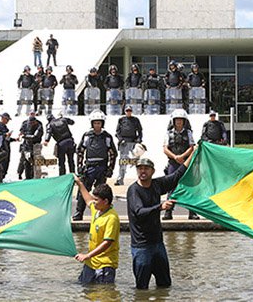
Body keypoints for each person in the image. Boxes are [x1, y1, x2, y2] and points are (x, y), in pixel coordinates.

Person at [126, 157, 188, 290]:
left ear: (152, 171)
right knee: (142, 288)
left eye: (146, 169)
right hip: (141, 246)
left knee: (165, 285)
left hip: (158, 244)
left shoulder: (156, 184)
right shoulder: (133, 190)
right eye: (140, 168)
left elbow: (176, 176)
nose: (143, 171)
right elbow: (139, 212)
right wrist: (160, 207)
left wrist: (194, 155)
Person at [73, 176, 119, 284]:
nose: (93, 202)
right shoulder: (97, 209)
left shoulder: (112, 218)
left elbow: (107, 242)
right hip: (91, 263)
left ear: (105, 201)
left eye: (96, 200)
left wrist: (87, 255)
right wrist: (79, 183)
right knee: (86, 291)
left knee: (104, 294)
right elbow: (87, 199)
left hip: (104, 265)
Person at [74, 110, 117, 221]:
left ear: (102, 123)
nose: (97, 125)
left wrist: (110, 168)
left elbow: (113, 153)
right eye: (95, 123)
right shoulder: (87, 136)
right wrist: (79, 166)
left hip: (102, 167)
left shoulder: (107, 137)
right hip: (89, 167)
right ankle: (79, 213)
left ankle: (101, 214)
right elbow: (80, 151)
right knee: (83, 190)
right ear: (92, 123)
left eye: (99, 123)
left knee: (101, 193)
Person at [162, 109, 196, 220]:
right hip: (173, 163)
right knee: (171, 187)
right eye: (177, 120)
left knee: (189, 187)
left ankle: (192, 212)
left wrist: (182, 156)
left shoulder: (189, 133)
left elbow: (192, 147)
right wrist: (175, 157)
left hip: (186, 163)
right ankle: (168, 212)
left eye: (181, 120)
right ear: (173, 121)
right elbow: (165, 148)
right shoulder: (168, 134)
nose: (179, 122)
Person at [115, 106, 143, 186]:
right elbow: (117, 132)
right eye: (127, 110)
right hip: (124, 143)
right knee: (122, 162)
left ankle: (140, 178)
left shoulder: (135, 120)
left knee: (136, 162)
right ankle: (120, 179)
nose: (128, 112)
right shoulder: (121, 120)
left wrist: (139, 141)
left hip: (133, 143)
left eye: (130, 110)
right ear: (125, 111)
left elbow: (140, 131)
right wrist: (120, 140)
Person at [16, 111, 43, 180]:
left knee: (34, 161)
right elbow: (21, 131)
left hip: (35, 146)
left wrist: (24, 136)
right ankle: (20, 173)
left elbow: (35, 136)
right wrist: (21, 135)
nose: (31, 124)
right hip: (26, 145)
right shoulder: (25, 123)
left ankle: (32, 176)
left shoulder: (39, 124)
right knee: (23, 160)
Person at [0, 112, 13, 181]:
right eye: (7, 119)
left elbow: (7, 139)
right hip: (2, 148)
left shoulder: (4, 126)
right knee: (3, 163)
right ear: (3, 118)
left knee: (6, 163)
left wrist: (14, 139)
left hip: (6, 146)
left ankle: (3, 177)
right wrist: (5, 135)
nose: (7, 121)